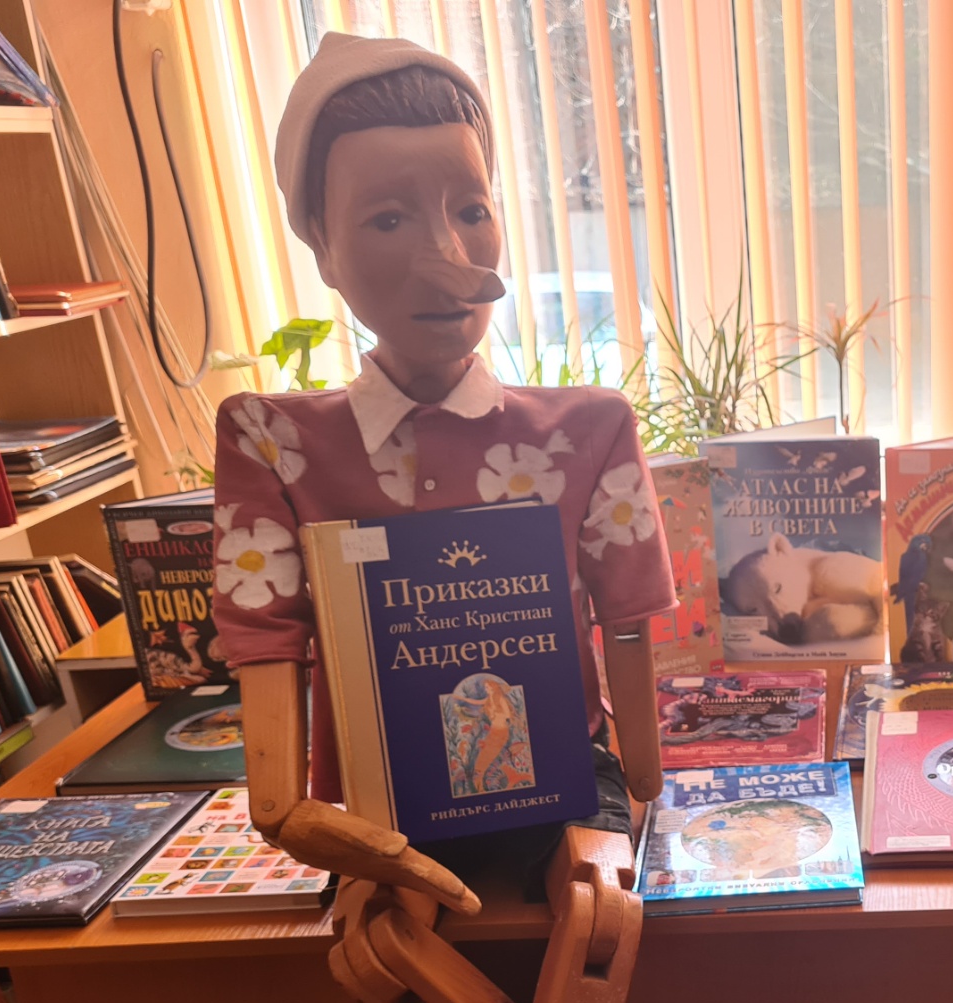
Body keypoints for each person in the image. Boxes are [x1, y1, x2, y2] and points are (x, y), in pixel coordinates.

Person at [212, 33, 674, 904]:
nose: (449, 258)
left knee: (602, 915)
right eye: (387, 219)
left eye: (471, 210)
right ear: (322, 246)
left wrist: (642, 775)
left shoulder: (589, 429)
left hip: (567, 777)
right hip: (385, 804)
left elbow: (626, 619)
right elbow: (266, 637)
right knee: (383, 939)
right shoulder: (271, 442)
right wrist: (281, 809)